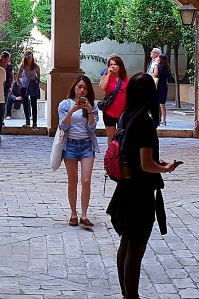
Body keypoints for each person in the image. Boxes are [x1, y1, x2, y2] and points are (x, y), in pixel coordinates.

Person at [107, 73, 181, 299]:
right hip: (140, 193)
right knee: (136, 249)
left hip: (125, 188)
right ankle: (133, 297)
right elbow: (147, 164)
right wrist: (167, 169)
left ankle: (126, 294)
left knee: (126, 243)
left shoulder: (125, 116)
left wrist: (159, 164)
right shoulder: (145, 123)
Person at [57, 75, 99, 230]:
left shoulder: (92, 105)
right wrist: (72, 111)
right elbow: (64, 126)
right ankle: (73, 214)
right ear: (74, 87)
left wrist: (89, 112)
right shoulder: (65, 104)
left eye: (85, 88)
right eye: (79, 87)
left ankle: (84, 215)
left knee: (86, 180)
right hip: (71, 146)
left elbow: (92, 129)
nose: (82, 90)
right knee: (72, 181)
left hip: (87, 145)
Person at [98, 55, 128, 138]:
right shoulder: (106, 77)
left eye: (115, 64)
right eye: (111, 65)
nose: (113, 66)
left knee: (121, 135)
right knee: (111, 136)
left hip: (122, 111)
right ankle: (111, 151)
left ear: (120, 66)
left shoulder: (124, 78)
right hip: (109, 111)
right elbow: (102, 87)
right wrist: (108, 74)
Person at [17, 50, 41, 129]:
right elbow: (18, 77)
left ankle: (34, 122)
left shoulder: (36, 66)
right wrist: (20, 84)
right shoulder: (22, 66)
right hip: (24, 86)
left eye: (30, 56)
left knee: (33, 104)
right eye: (27, 56)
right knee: (25, 104)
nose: (28, 58)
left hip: (32, 87)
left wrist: (35, 78)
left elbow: (39, 77)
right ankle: (27, 121)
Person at [154, 54, 171, 125]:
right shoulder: (167, 68)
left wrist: (152, 74)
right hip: (164, 86)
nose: (157, 58)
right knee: (162, 104)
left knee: (155, 103)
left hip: (158, 85)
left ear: (160, 59)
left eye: (158, 57)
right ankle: (164, 120)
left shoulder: (157, 66)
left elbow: (155, 75)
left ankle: (156, 119)